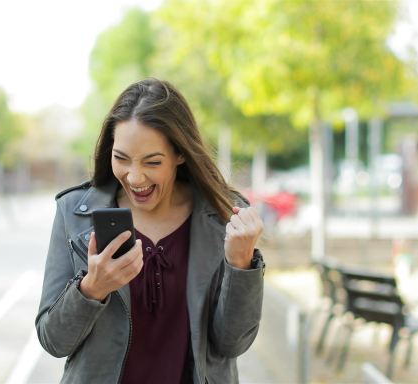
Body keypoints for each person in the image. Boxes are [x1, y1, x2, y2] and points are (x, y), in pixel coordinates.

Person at [35, 78, 265, 384]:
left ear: (180, 154)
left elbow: (233, 343)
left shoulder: (224, 215)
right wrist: (92, 288)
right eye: (121, 158)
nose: (134, 177)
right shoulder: (73, 212)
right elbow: (54, 341)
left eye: (152, 161)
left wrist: (241, 264)